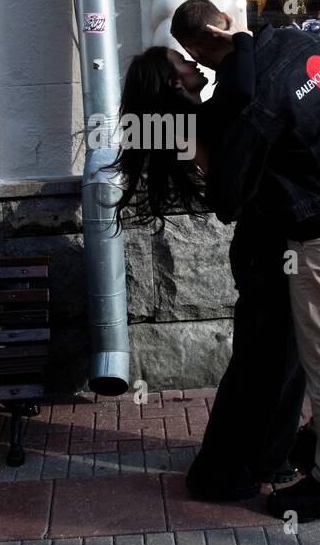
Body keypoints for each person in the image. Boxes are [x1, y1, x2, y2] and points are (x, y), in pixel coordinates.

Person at [171, 0, 320, 524]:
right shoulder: (302, 41)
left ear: (198, 48)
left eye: (192, 58)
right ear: (226, 17)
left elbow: (228, 197)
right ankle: (318, 441)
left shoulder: (252, 94)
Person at [110, 33, 307, 500]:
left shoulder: (191, 120)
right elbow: (239, 93)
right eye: (182, 61)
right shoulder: (196, 120)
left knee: (276, 358)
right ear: (171, 82)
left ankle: (265, 459)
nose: (194, 63)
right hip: (265, 248)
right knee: (267, 361)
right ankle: (223, 469)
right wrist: (241, 40)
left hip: (264, 245)